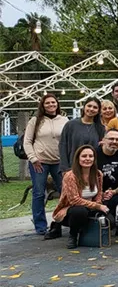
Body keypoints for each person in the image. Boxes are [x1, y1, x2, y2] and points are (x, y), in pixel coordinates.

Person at [50, 145, 109, 248]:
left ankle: (88, 233)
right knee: (80, 211)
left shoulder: (98, 174)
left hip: (91, 207)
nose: (87, 159)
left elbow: (99, 193)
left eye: (91, 156)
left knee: (110, 220)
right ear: (78, 158)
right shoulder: (70, 176)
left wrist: (98, 204)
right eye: (84, 156)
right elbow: (74, 200)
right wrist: (98, 206)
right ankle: (73, 235)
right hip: (71, 209)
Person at [25, 94, 67, 236]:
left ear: (57, 104)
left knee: (65, 191)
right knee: (38, 193)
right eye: (47, 103)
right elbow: (27, 141)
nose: (50, 105)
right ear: (43, 105)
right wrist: (33, 158)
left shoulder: (64, 120)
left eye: (53, 102)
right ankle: (40, 225)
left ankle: (63, 220)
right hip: (40, 162)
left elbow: (67, 141)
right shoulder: (35, 121)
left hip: (59, 162)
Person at [95, 129, 118, 234]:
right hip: (97, 193)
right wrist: (100, 193)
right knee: (109, 224)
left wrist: (115, 191)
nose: (114, 142)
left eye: (117, 140)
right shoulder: (93, 154)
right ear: (103, 140)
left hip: (117, 192)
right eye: (111, 139)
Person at [59, 97, 106, 171]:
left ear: (98, 111)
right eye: (89, 106)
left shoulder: (101, 128)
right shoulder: (71, 125)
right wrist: (64, 168)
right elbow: (63, 146)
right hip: (72, 167)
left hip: (92, 169)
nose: (91, 109)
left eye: (95, 107)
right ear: (84, 107)